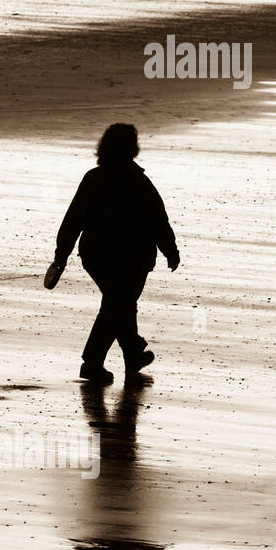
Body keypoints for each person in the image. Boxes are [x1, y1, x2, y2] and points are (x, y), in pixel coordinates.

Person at [50, 123, 179, 382]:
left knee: (118, 304)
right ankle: (94, 362)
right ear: (132, 148)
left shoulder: (93, 178)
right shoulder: (138, 180)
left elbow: (72, 219)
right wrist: (170, 250)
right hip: (132, 257)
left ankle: (132, 356)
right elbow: (158, 220)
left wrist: (61, 256)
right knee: (117, 305)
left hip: (96, 255)